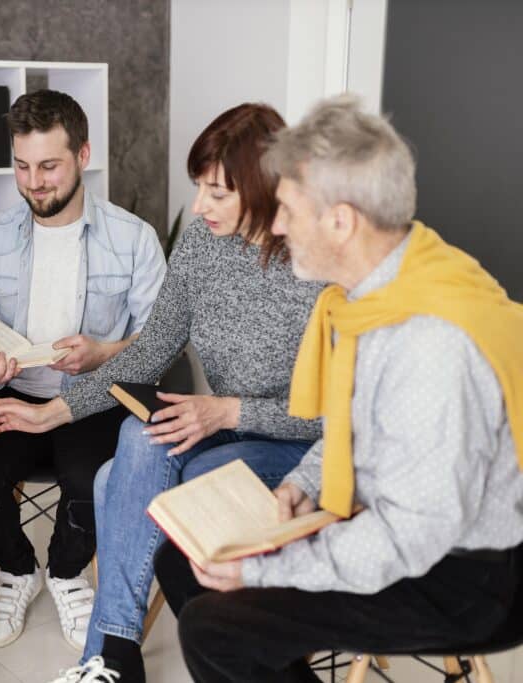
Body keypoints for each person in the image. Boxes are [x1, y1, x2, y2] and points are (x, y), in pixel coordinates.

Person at [151, 94, 523, 683]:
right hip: (406, 527)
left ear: (341, 221)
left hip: (465, 577)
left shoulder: (428, 342)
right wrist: (304, 482)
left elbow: (409, 538)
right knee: (181, 561)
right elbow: (353, 426)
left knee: (216, 629)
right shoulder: (381, 292)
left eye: (288, 210)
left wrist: (265, 572)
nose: (276, 225)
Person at [0, 103, 323, 682]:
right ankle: (113, 656)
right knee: (139, 435)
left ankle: (110, 657)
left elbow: (346, 416)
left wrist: (229, 410)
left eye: (218, 192)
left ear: (268, 185)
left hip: (303, 448)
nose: (200, 206)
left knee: (117, 481)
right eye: (199, 188)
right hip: (227, 427)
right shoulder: (203, 243)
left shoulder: (318, 265)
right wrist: (55, 412)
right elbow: (148, 351)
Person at [0, 89, 166, 650]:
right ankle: (16, 568)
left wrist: (103, 353)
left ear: (83, 155)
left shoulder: (134, 238)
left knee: (92, 478)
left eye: (48, 166)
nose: (34, 182)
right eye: (22, 166)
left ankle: (67, 573)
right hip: (12, 391)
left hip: (93, 397)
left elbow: (159, 344)